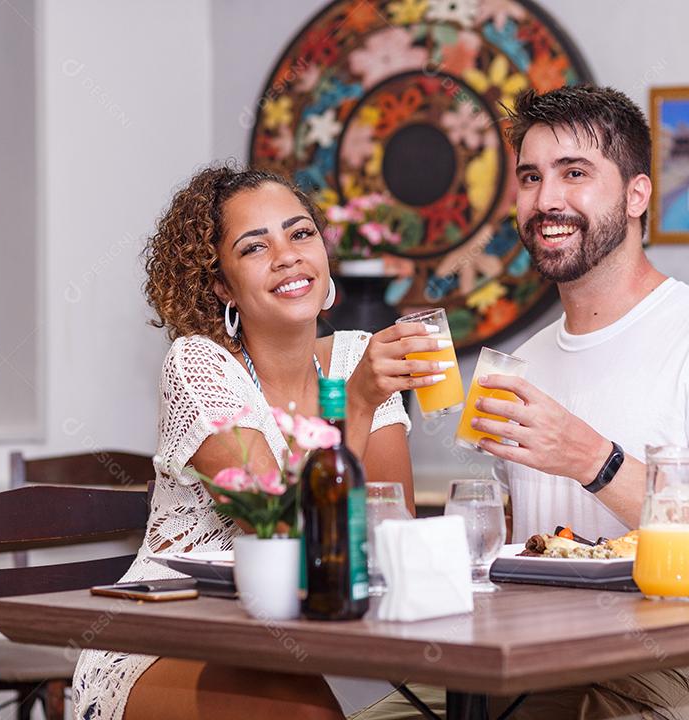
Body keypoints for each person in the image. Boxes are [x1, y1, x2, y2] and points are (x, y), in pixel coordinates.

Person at [354, 86, 689, 720]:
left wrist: (594, 460)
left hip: (677, 675)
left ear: (637, 195)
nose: (546, 200)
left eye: (575, 174)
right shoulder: (518, 365)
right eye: (531, 178)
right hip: (528, 665)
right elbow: (514, 551)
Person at [73, 164, 450, 720]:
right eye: (255, 247)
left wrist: (363, 388)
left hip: (319, 640)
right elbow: (279, 527)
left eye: (300, 234)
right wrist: (359, 400)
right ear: (222, 284)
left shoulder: (356, 354)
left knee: (459, 702)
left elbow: (391, 531)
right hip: (177, 638)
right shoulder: (200, 367)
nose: (288, 256)